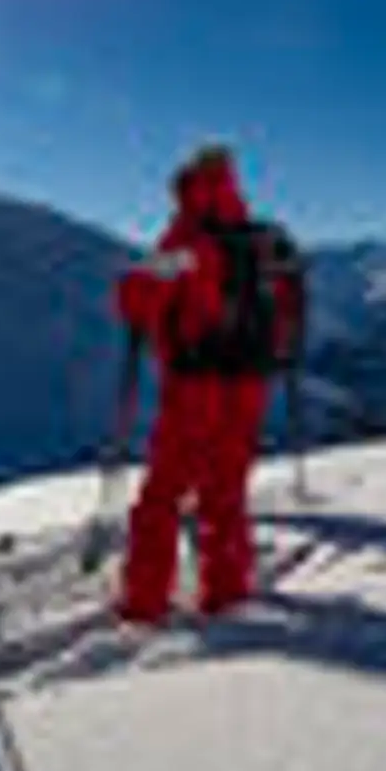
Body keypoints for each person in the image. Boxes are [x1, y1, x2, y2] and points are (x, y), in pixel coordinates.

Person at [114, 144, 305, 624]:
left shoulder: (186, 242)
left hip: (196, 387)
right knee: (225, 492)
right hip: (249, 387)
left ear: (188, 187)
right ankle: (226, 592)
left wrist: (135, 284)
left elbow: (137, 299)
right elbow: (287, 313)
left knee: (162, 496)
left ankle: (144, 602)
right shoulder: (262, 240)